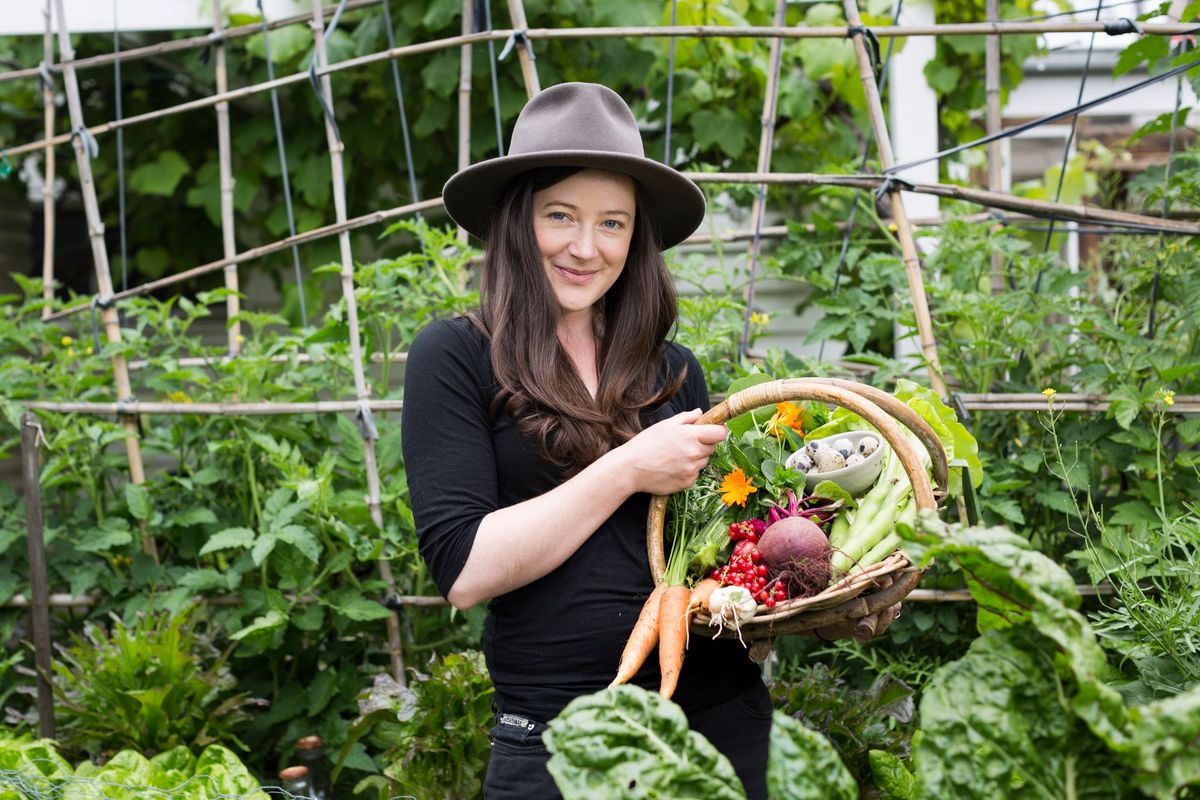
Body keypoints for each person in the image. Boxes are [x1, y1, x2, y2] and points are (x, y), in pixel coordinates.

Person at [401, 82, 896, 800]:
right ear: (517, 221)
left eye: (613, 224)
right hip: (562, 743)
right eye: (560, 216)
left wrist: (832, 593)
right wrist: (627, 467)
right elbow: (466, 571)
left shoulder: (671, 371)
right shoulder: (454, 356)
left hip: (718, 727)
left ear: (636, 238)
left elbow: (719, 561)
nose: (584, 247)